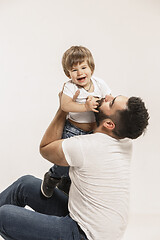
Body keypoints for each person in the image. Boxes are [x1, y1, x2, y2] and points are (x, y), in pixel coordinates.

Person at [0, 93, 149, 240]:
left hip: (83, 235)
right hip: (91, 225)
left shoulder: (87, 147)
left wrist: (64, 108)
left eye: (111, 102)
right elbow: (100, 128)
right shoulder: (125, 142)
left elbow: (45, 148)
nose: (108, 96)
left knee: (3, 216)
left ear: (109, 124)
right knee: (25, 185)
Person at [41, 45, 111, 198]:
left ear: (91, 68)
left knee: (82, 164)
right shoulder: (70, 87)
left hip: (92, 132)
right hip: (73, 130)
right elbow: (65, 105)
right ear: (68, 74)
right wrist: (85, 105)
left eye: (83, 67)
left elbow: (108, 100)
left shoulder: (99, 84)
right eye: (74, 70)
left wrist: (98, 101)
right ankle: (54, 176)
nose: (80, 72)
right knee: (65, 160)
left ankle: (67, 180)